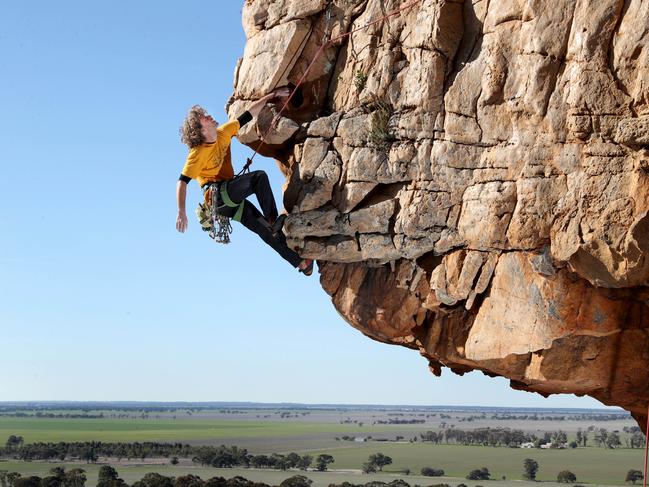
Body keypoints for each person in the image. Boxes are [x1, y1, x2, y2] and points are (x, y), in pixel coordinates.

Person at [175, 88, 313, 275]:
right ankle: (273, 220)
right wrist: (181, 211)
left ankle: (300, 263)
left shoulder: (224, 132)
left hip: (230, 199)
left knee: (265, 230)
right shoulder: (197, 153)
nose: (210, 116)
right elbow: (182, 182)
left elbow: (249, 114)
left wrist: (273, 96)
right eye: (205, 118)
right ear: (200, 130)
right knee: (259, 178)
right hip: (217, 197)